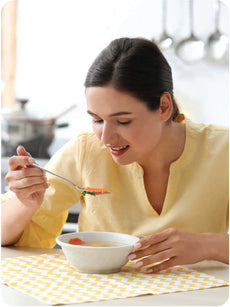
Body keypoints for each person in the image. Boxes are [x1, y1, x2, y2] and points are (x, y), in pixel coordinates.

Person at [1, 37, 229, 273]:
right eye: (97, 120)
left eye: (123, 121)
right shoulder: (85, 150)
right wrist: (23, 204)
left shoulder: (223, 150)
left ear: (163, 107)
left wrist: (209, 245)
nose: (105, 138)